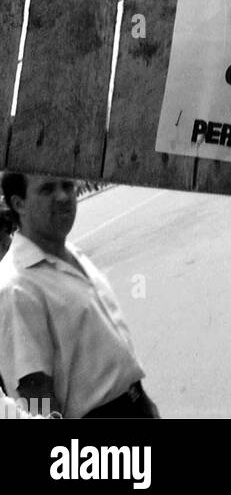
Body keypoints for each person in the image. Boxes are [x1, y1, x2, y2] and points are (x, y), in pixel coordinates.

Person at [0, 173, 159, 419]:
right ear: (18, 203)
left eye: (67, 185)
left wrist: (143, 403)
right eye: (47, 189)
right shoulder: (16, 287)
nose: (63, 196)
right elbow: (33, 389)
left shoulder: (66, 250)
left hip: (133, 404)